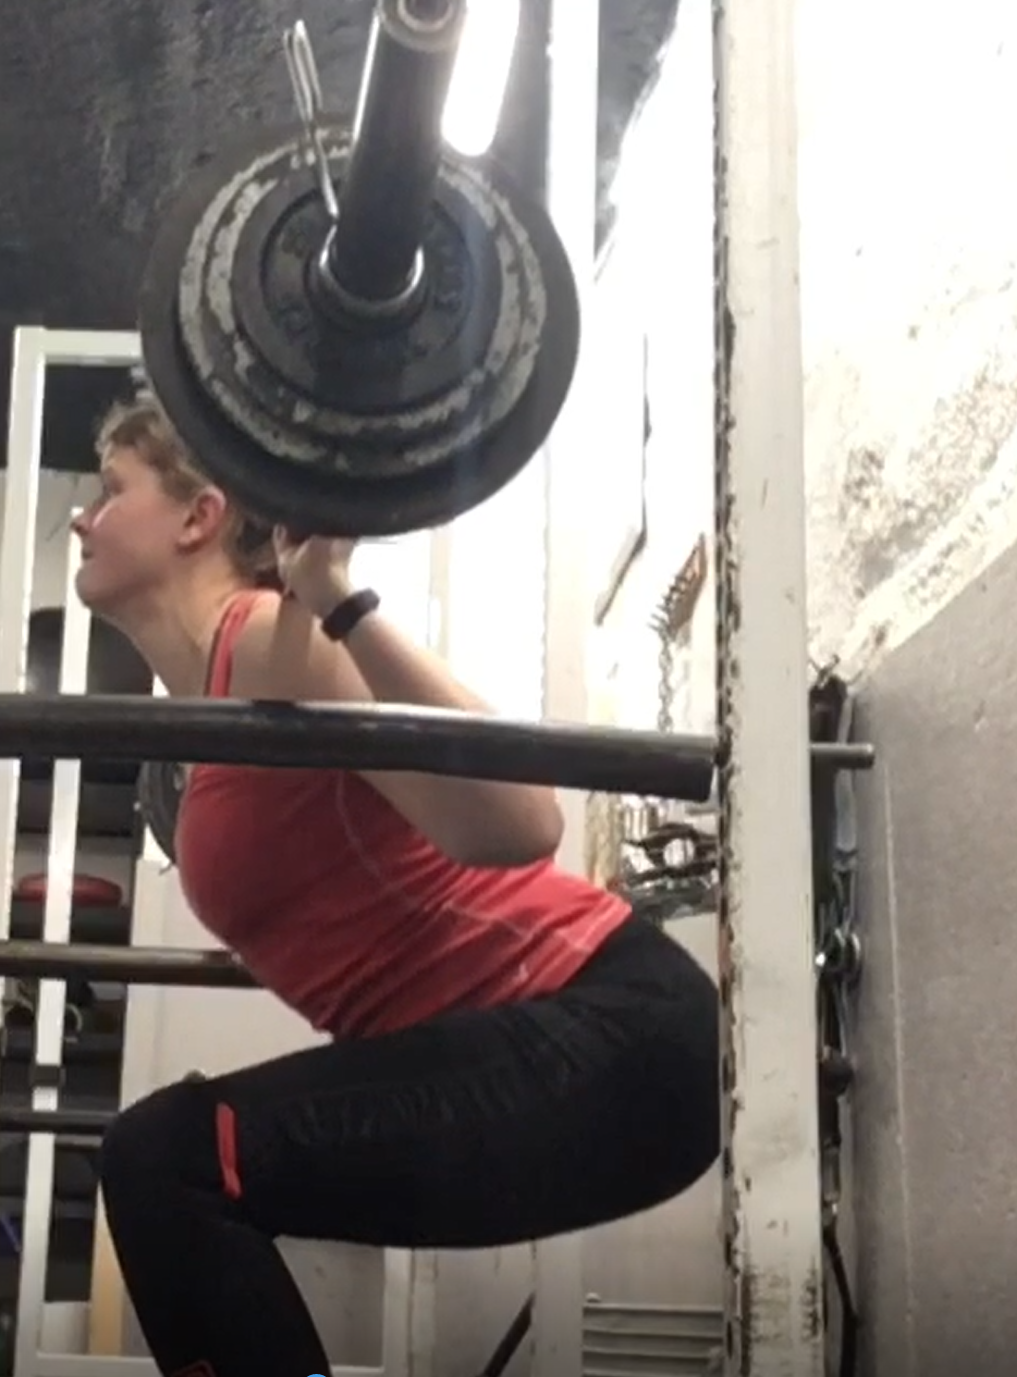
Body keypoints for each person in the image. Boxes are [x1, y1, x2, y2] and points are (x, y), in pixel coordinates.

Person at [70, 392, 721, 1377]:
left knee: (168, 1157)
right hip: (552, 1057)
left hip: (609, 1030)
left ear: (198, 517)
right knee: (176, 1163)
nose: (83, 517)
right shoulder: (206, 712)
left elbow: (523, 821)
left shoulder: (268, 642)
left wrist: (334, 594)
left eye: (109, 489)